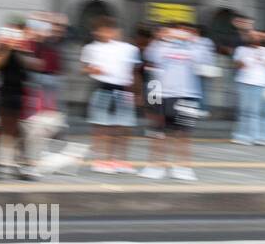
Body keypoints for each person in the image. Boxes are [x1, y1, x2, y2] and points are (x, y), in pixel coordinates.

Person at [142, 23, 211, 180]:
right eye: (175, 30)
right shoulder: (160, 45)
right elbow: (150, 56)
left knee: (184, 134)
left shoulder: (195, 46)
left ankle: (183, 167)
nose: (179, 33)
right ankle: (155, 165)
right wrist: (161, 38)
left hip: (188, 95)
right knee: (158, 133)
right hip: (161, 94)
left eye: (183, 30)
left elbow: (204, 60)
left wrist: (193, 40)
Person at [81, 17, 141, 173]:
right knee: (101, 127)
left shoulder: (128, 48)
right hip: (103, 88)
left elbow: (134, 71)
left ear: (116, 31)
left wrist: (137, 92)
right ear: (96, 32)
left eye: (110, 30)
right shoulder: (91, 48)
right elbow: (85, 69)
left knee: (124, 127)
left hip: (123, 90)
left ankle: (119, 160)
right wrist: (91, 70)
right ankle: (100, 160)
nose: (106, 33)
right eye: (102, 30)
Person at [0, 19, 40, 175]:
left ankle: (20, 163)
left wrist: (23, 48)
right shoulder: (1, 47)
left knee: (17, 128)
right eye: (10, 32)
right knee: (5, 127)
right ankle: (2, 162)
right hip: (4, 91)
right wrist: (6, 47)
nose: (13, 35)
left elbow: (33, 65)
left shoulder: (26, 48)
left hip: (22, 93)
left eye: (17, 32)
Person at [233, 30, 265, 145]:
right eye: (255, 36)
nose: (259, 39)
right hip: (246, 83)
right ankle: (244, 136)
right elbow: (237, 65)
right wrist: (246, 60)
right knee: (246, 111)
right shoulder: (242, 50)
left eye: (263, 37)